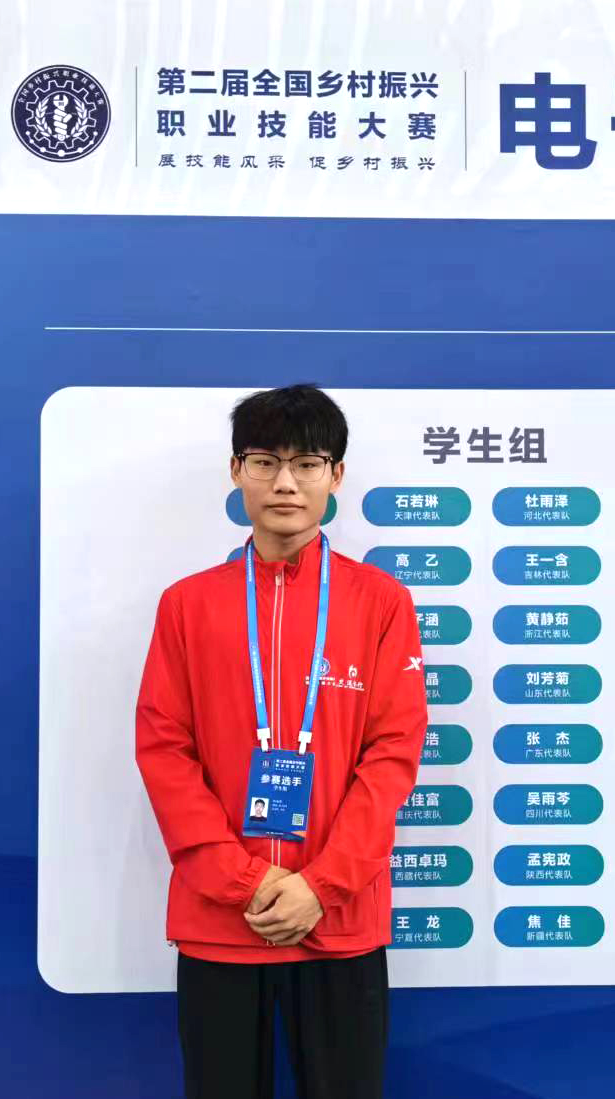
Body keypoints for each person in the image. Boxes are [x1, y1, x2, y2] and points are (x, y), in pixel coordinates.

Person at [135, 383, 429, 1099]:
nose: (286, 482)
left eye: (308, 463)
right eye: (265, 461)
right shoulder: (187, 604)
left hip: (339, 920)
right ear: (237, 471)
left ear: (337, 475)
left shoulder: (380, 602)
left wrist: (320, 886)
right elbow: (164, 748)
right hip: (221, 917)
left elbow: (393, 754)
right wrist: (246, 881)